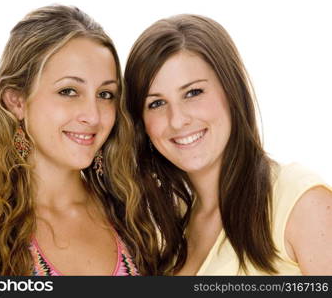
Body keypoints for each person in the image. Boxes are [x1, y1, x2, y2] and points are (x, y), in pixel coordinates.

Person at [0, 5, 166, 276]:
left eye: (105, 94)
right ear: (16, 101)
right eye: (68, 91)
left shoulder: (134, 216)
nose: (93, 115)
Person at [124, 14, 332, 275]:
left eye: (193, 93)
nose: (177, 120)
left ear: (231, 90)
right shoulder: (163, 231)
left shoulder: (300, 202)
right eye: (156, 103)